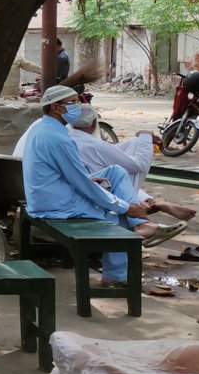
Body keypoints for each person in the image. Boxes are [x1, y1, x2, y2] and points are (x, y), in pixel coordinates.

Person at [20, 85, 185, 287]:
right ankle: (117, 277)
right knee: (116, 219)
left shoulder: (42, 128)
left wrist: (95, 185)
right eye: (72, 103)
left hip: (51, 192)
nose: (77, 108)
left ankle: (139, 224)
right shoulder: (58, 138)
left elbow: (71, 175)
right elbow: (81, 184)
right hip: (57, 204)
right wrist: (125, 207)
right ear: (56, 108)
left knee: (115, 172)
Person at [69, 104, 196, 221]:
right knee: (121, 174)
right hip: (91, 194)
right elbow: (139, 165)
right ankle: (142, 221)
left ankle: (150, 201)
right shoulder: (95, 145)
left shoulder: (67, 139)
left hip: (85, 187)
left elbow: (115, 151)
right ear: (94, 122)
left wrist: (139, 140)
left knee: (128, 157)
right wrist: (145, 137)